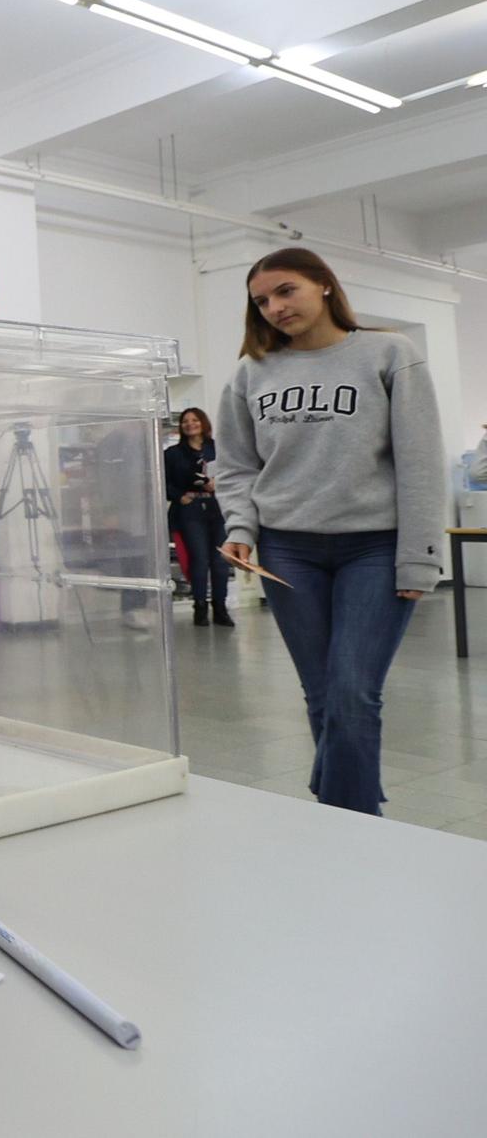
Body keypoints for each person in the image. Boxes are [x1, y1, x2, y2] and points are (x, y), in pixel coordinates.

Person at [216, 248, 445, 816]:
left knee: (351, 693)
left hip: (374, 546)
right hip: (287, 549)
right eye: (261, 300)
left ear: (323, 286)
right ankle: (351, 813)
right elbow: (237, 465)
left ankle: (350, 821)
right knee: (322, 695)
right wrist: (241, 526)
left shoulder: (391, 352)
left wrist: (420, 556)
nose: (274, 307)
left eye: (286, 290)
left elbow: (420, 461)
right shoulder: (251, 373)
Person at [165, 406, 234, 628]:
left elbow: (236, 474)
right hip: (190, 510)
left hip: (217, 508)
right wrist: (178, 496)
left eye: (195, 420)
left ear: (203, 423)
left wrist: (219, 484)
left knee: (220, 560)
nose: (190, 424)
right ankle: (200, 607)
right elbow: (162, 483)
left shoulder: (220, 450)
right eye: (185, 421)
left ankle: (220, 607)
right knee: (199, 559)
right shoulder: (173, 454)